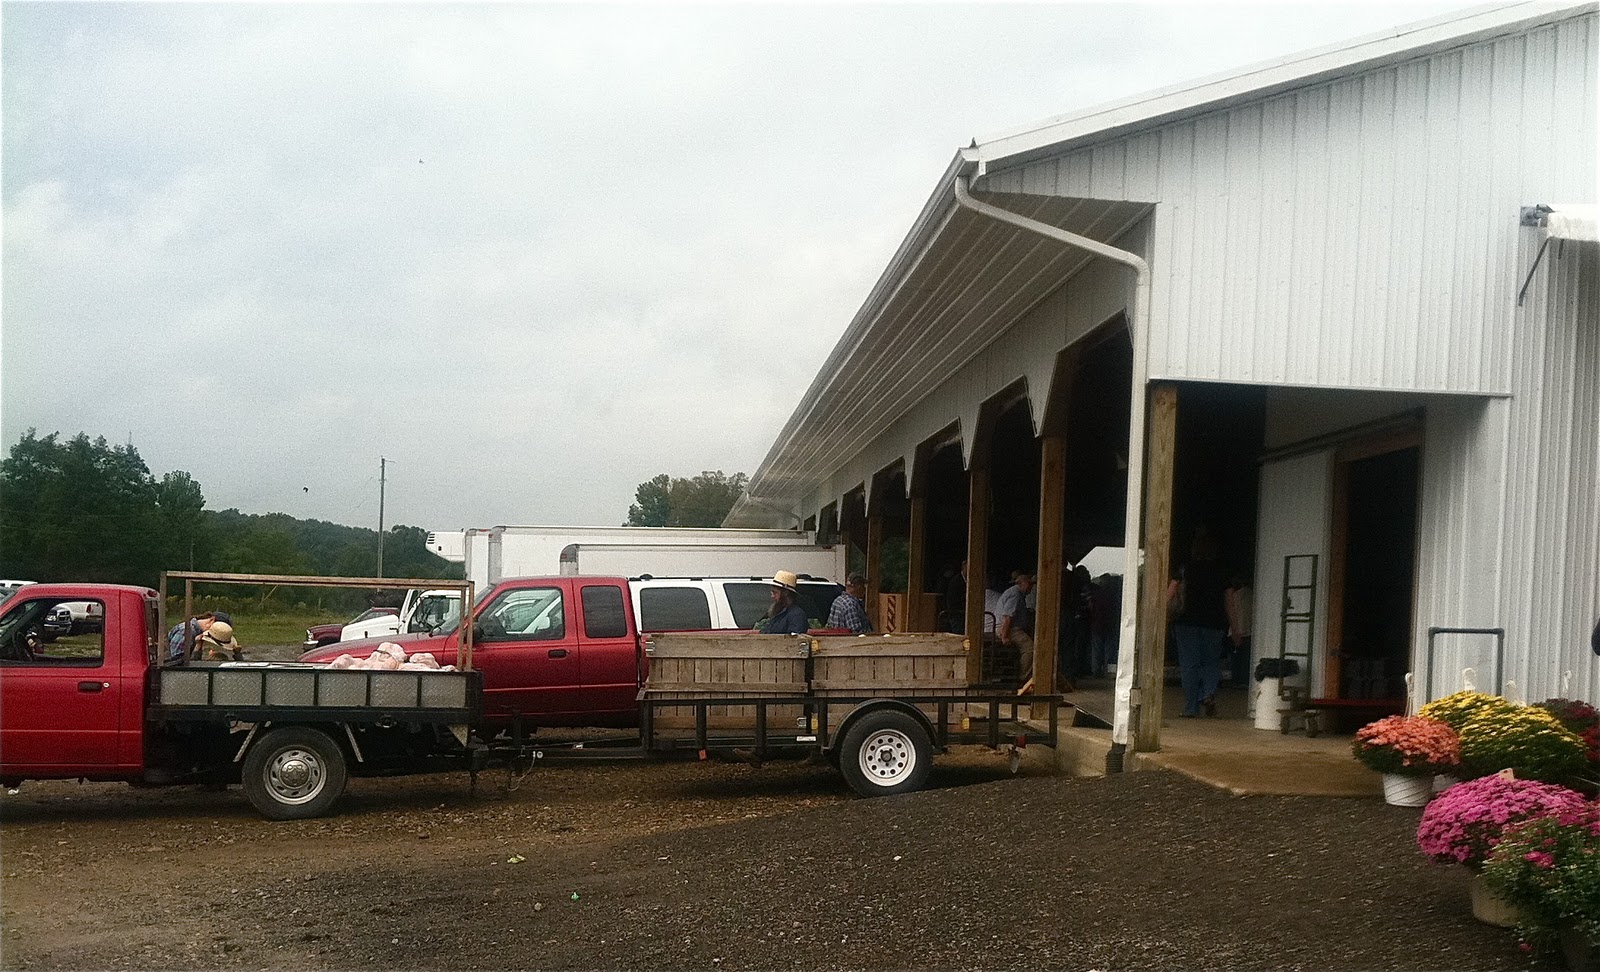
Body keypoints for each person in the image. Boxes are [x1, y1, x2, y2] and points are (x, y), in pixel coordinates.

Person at [1169, 529, 1229, 717]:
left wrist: (1162, 615)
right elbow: (1229, 599)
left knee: (1189, 665)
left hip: (1187, 622)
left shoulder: (1185, 567)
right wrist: (1235, 627)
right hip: (1215, 622)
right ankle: (1208, 693)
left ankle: (1190, 708)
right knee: (1211, 663)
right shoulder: (1222, 569)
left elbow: (1171, 592)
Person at [997, 571, 1036, 692]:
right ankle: (1023, 678)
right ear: (1022, 583)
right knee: (1030, 648)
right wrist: (1004, 636)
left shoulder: (1016, 594)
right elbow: (1008, 617)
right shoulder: (1015, 595)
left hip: (1012, 628)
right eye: (1029, 584)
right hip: (1010, 629)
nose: (1031, 587)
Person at [166, 611, 231, 662]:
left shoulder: (197, 633)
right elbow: (176, 661)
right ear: (212, 620)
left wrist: (199, 645)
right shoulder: (186, 631)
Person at [760, 570, 811, 635]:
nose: (772, 596)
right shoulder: (778, 613)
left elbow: (795, 641)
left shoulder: (796, 615)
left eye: (775, 592)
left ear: (786, 593)